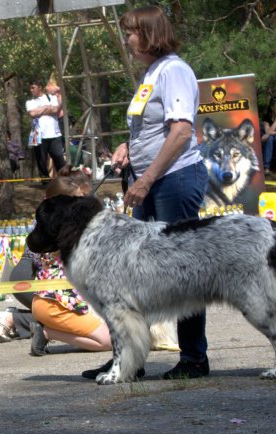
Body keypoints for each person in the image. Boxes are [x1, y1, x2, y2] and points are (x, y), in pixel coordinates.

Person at [105, 5, 209, 380]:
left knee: (181, 272)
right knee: (138, 272)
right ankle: (129, 359)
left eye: (131, 32)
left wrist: (146, 178)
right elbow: (154, 131)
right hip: (151, 179)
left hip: (174, 180)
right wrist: (127, 148)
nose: (127, 39)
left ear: (149, 33)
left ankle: (195, 358)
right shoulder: (152, 74)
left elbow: (181, 132)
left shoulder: (175, 71)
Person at [0, 176, 114, 361]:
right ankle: (44, 331)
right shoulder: (62, 231)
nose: (80, 203)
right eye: (76, 200)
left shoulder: (48, 225)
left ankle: (34, 324)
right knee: (110, 339)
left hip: (51, 293)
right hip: (49, 294)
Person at [26, 80, 66, 183]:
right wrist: (46, 107)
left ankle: (64, 180)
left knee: (59, 158)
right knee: (41, 161)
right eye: (30, 88)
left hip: (54, 134)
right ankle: (45, 182)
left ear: (39, 87)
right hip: (38, 135)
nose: (31, 90)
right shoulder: (30, 102)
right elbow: (32, 113)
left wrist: (40, 110)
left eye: (33, 87)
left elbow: (56, 110)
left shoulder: (51, 98)